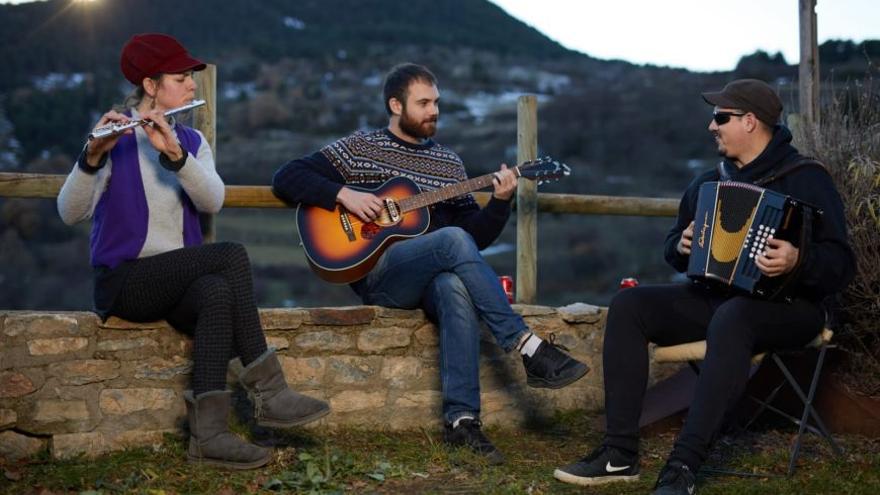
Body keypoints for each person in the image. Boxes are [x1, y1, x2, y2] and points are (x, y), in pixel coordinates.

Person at [272, 63, 588, 464]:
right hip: (379, 275)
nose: (433, 110)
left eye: (436, 102)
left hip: (428, 279)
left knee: (455, 286)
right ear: (395, 105)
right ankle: (526, 345)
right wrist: (344, 195)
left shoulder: (448, 165)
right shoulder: (361, 148)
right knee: (451, 241)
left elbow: (472, 241)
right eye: (423, 103)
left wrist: (500, 202)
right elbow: (287, 176)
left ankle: (462, 422)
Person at [553, 79, 855, 494]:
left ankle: (683, 466)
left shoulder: (806, 178)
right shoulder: (708, 183)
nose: (711, 126)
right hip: (721, 301)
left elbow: (842, 264)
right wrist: (681, 246)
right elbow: (675, 250)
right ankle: (618, 454)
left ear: (750, 122)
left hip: (793, 307)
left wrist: (798, 259)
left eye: (720, 117)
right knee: (629, 305)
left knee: (735, 315)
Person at [57, 33, 330, 470]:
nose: (191, 86)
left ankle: (209, 438)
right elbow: (69, 212)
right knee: (231, 254)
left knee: (217, 292)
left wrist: (177, 156)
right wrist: (90, 157)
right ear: (151, 85)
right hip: (126, 281)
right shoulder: (113, 138)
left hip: (175, 280)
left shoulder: (192, 141)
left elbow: (212, 200)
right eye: (182, 78)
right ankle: (270, 392)